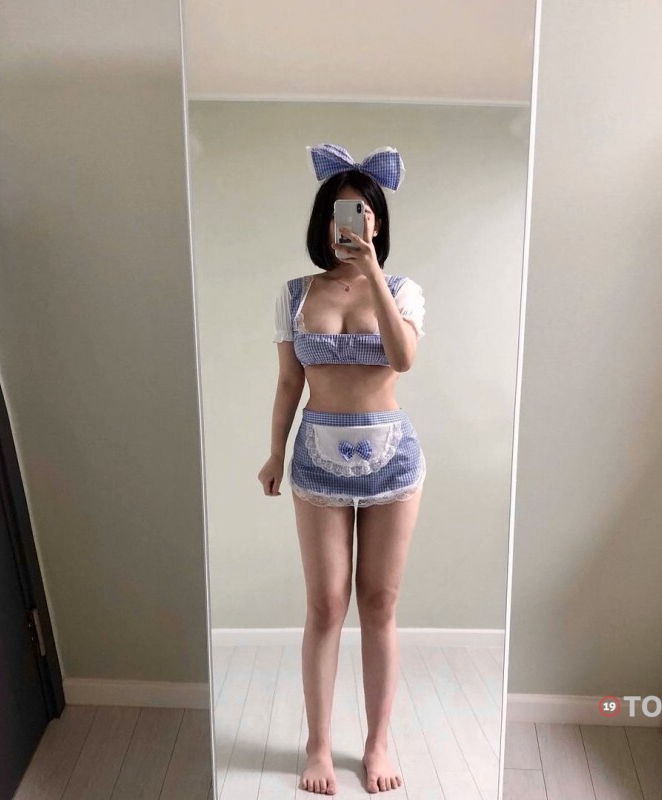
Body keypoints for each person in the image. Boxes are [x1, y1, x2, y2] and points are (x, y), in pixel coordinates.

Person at [257, 144, 427, 795]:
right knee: (326, 604)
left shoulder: (404, 291)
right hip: (317, 459)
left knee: (379, 603)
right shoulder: (295, 295)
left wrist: (374, 271)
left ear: (376, 221)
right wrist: (274, 452)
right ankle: (319, 746)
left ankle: (378, 742)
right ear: (323, 220)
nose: (347, 223)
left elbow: (403, 358)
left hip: (393, 462)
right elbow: (287, 384)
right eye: (337, 212)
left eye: (359, 213)